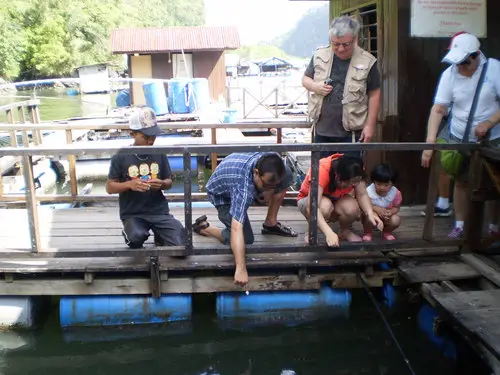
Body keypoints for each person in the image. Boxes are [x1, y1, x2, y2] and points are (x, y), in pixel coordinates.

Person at [422, 32, 500, 238]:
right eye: (457, 62)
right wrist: (430, 144)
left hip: (492, 138)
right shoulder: (449, 74)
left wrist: (490, 122)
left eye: (464, 62)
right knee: (461, 181)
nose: (460, 67)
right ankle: (460, 225)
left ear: (476, 55)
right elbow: (438, 109)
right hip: (460, 135)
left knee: (493, 184)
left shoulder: (494, 69)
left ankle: (494, 227)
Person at [192, 152, 298, 286]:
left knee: (287, 175)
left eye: (273, 187)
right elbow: (237, 228)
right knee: (246, 238)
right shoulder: (242, 188)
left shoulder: (274, 162)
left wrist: (268, 190)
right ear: (256, 172)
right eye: (266, 185)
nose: (271, 189)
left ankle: (270, 223)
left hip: (236, 172)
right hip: (222, 196)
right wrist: (241, 268)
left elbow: (277, 176)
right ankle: (206, 228)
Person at [302, 15, 381, 159]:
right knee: (321, 177)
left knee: (349, 178)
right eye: (335, 43)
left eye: (345, 44)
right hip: (322, 131)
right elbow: (305, 79)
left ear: (355, 39)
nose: (340, 49)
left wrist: (370, 126)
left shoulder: (368, 61)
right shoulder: (319, 56)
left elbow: (374, 93)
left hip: (350, 133)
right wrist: (315, 86)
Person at [106, 107, 186, 248]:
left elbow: (169, 182)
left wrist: (162, 183)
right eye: (146, 137)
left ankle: (160, 235)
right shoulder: (120, 156)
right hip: (133, 213)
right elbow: (110, 187)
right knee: (136, 239)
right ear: (132, 134)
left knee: (181, 244)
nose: (151, 141)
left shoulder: (160, 153)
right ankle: (129, 231)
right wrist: (130, 185)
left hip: (159, 212)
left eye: (153, 136)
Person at [296, 153, 383, 245]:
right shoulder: (322, 169)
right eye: (348, 184)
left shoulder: (356, 169)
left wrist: (370, 213)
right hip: (309, 201)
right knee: (325, 206)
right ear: (337, 177)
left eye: (354, 184)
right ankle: (312, 231)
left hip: (335, 199)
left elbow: (362, 194)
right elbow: (312, 206)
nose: (351, 187)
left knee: (351, 208)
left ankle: (344, 231)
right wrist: (329, 232)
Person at [362, 163, 402, 241]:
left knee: (396, 220)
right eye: (378, 184)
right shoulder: (368, 192)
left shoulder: (395, 193)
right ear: (374, 182)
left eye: (386, 185)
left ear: (392, 184)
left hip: (386, 217)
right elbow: (365, 205)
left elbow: (396, 207)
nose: (382, 188)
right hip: (371, 215)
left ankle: (387, 232)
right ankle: (368, 232)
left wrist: (390, 212)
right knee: (369, 217)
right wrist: (376, 209)